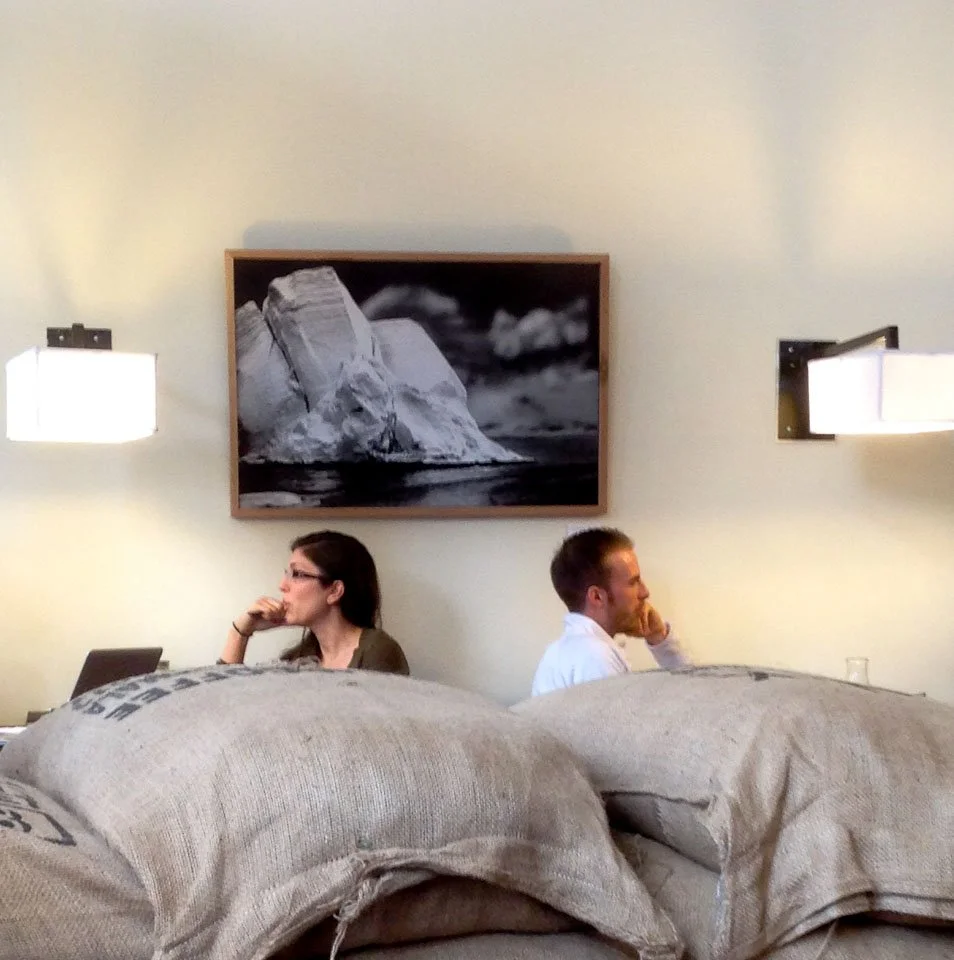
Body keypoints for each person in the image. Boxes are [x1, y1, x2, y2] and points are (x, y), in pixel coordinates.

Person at [220, 531, 409, 675]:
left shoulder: (377, 651)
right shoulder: (298, 659)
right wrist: (241, 632)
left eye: (297, 574)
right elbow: (223, 698)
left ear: (334, 591)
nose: (282, 585)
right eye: (287, 574)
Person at [531, 527, 689, 696]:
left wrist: (659, 636)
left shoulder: (571, 650)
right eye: (633, 582)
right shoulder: (595, 656)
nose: (645, 592)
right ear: (597, 597)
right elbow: (691, 697)